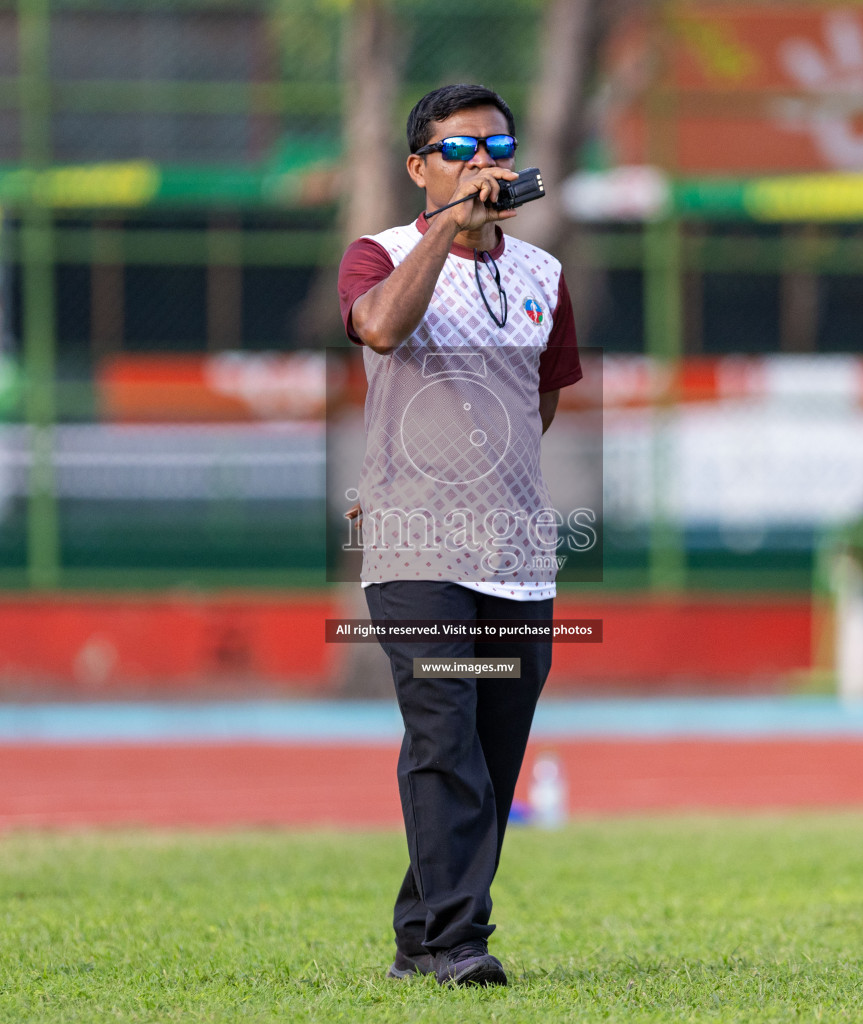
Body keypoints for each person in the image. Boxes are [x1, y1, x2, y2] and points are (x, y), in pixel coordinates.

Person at [336, 83, 581, 987]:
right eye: (459, 151)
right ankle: (457, 943)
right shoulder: (380, 255)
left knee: (492, 753)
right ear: (418, 168)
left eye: (496, 146)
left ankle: (417, 935)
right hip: (414, 551)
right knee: (443, 738)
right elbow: (381, 327)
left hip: (518, 555)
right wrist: (448, 227)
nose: (483, 163)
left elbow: (540, 402)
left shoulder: (545, 275)